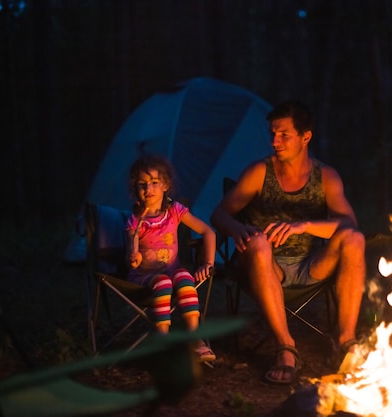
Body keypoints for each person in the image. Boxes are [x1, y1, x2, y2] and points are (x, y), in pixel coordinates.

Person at [210, 101, 366, 384]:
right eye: (272, 134)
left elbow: (349, 224)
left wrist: (304, 225)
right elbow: (220, 213)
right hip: (265, 265)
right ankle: (285, 347)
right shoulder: (259, 172)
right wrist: (235, 229)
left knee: (354, 239)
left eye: (283, 134)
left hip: (311, 266)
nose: (274, 141)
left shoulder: (325, 177)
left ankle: (346, 341)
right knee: (258, 242)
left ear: (306, 136)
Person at [126, 154, 216, 362]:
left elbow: (208, 232)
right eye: (142, 185)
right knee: (165, 281)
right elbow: (131, 255)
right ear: (136, 190)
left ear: (165, 185)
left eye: (154, 183)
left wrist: (208, 263)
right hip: (144, 276)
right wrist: (134, 258)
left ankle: (195, 338)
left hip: (171, 271)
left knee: (184, 276)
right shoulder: (135, 220)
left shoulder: (175, 211)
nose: (148, 190)